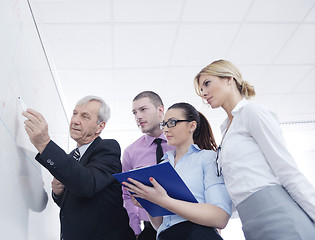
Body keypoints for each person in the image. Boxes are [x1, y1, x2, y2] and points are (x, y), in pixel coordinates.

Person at [194, 59, 315, 240]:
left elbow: (287, 171)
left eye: (207, 83)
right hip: (249, 221)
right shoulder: (226, 130)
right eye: (200, 89)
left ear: (229, 79)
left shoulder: (252, 112)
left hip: (277, 214)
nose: (203, 93)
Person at [22, 95, 136, 240]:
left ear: (100, 127)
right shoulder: (70, 158)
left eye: (85, 117)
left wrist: (45, 144)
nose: (75, 120)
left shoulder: (107, 148)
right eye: (75, 113)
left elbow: (87, 185)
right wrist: (58, 194)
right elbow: (76, 203)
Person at [123, 102, 232, 240]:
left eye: (172, 123)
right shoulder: (164, 165)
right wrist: (148, 202)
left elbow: (220, 217)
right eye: (164, 124)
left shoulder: (208, 158)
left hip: (197, 235)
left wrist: (164, 200)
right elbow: (160, 224)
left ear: (192, 126)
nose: (166, 129)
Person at [122, 91, 175, 239]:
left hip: (185, 221)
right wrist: (135, 230)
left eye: (143, 109)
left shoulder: (180, 143)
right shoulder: (130, 152)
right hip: (150, 229)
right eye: (134, 112)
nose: (138, 116)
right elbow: (127, 195)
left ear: (160, 110)